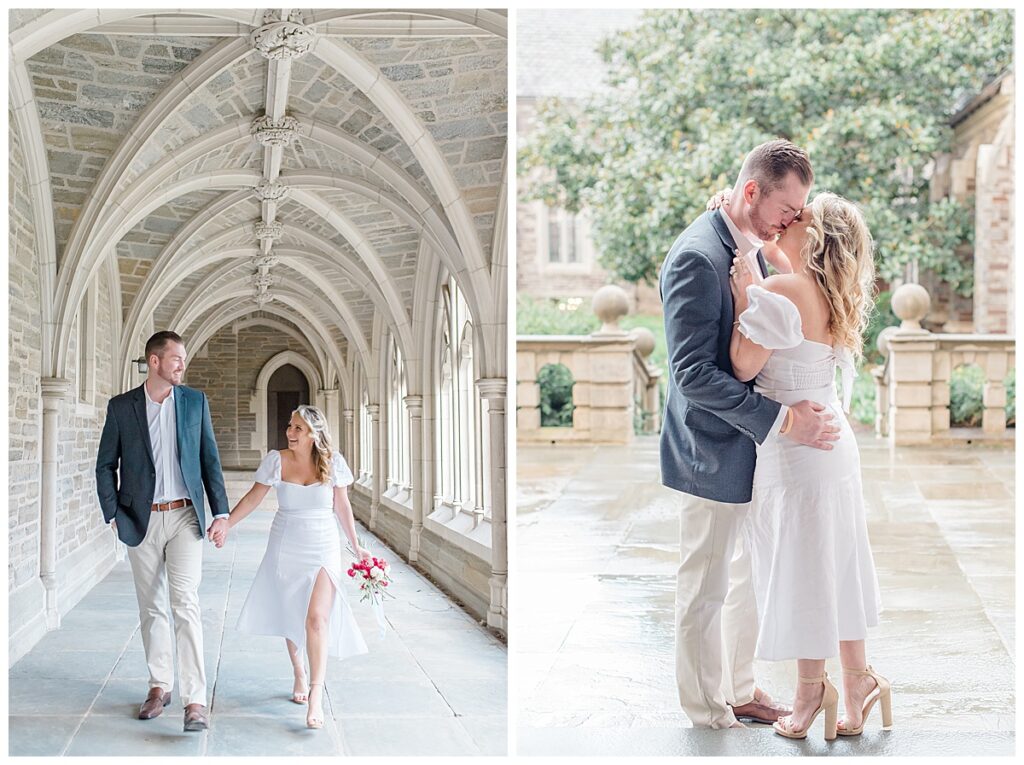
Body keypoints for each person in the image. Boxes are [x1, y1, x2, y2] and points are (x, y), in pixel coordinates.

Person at [659, 139, 840, 730]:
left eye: (799, 212)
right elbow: (692, 375)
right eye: (785, 208)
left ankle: (738, 688)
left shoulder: (749, 242)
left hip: (752, 453)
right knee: (705, 586)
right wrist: (785, 419)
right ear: (751, 191)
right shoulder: (697, 256)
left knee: (742, 581)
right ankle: (706, 710)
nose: (791, 221)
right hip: (710, 449)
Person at [728, 191, 890, 740]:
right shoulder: (829, 291)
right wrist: (765, 271)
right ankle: (859, 679)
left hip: (797, 454)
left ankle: (809, 693)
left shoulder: (782, 290)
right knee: (837, 566)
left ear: (814, 236)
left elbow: (742, 364)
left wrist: (747, 292)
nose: (787, 221)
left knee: (801, 576)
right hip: (835, 447)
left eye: (799, 218)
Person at [95, 330, 229, 732]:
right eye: (175, 359)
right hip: (141, 519)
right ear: (154, 361)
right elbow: (105, 465)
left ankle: (195, 700)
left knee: (185, 603)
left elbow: (210, 459)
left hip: (185, 516)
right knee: (151, 606)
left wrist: (220, 512)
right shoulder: (122, 407)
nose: (181, 366)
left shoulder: (194, 402)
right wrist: (113, 513)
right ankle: (159, 686)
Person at [209, 405, 369, 729]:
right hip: (286, 545)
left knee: (317, 618)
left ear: (313, 434)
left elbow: (342, 505)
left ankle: (316, 695)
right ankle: (299, 670)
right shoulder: (276, 461)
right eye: (290, 426)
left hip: (323, 545)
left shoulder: (334, 463)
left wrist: (355, 545)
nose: (290, 432)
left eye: (297, 428)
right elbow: (254, 498)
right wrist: (227, 524)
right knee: (291, 612)